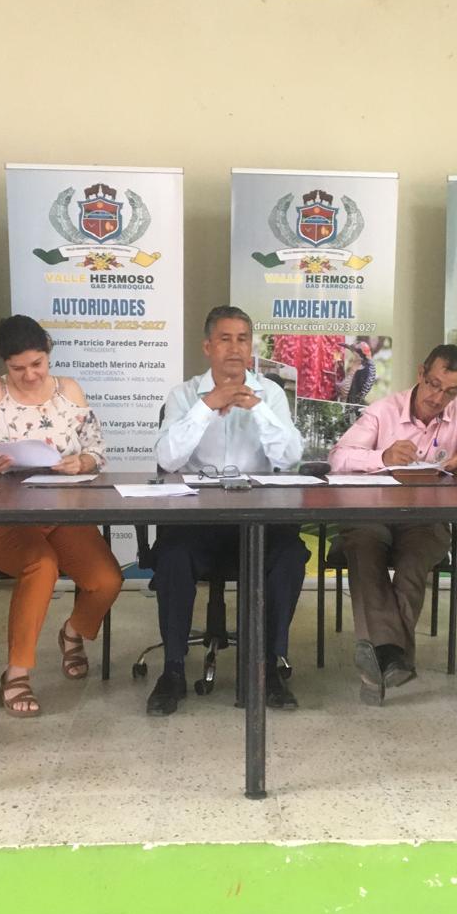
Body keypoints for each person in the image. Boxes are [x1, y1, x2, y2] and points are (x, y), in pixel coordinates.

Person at [0, 314, 122, 718]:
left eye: (37, 364)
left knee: (107, 580)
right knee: (41, 566)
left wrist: (82, 462)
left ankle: (72, 632)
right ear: (4, 364)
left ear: (48, 353)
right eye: (17, 368)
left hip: (61, 510)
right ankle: (17, 673)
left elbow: (97, 450)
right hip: (2, 516)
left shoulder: (69, 391)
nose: (29, 375)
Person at [148, 305, 308, 715]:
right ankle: (172, 670)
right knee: (173, 556)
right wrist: (207, 406)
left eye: (242, 339)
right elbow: (167, 459)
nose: (235, 348)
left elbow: (290, 457)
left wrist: (257, 408)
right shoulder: (183, 395)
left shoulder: (271, 394)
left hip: (257, 519)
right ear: (207, 347)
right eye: (225, 339)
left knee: (290, 555)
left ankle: (268, 666)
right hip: (197, 519)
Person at [329, 344, 457, 705]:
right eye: (434, 385)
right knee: (364, 551)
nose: (438, 398)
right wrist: (382, 456)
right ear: (420, 373)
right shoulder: (384, 411)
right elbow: (338, 457)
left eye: (450, 391)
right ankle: (392, 656)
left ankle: (380, 659)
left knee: (413, 565)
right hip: (372, 515)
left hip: (426, 519)